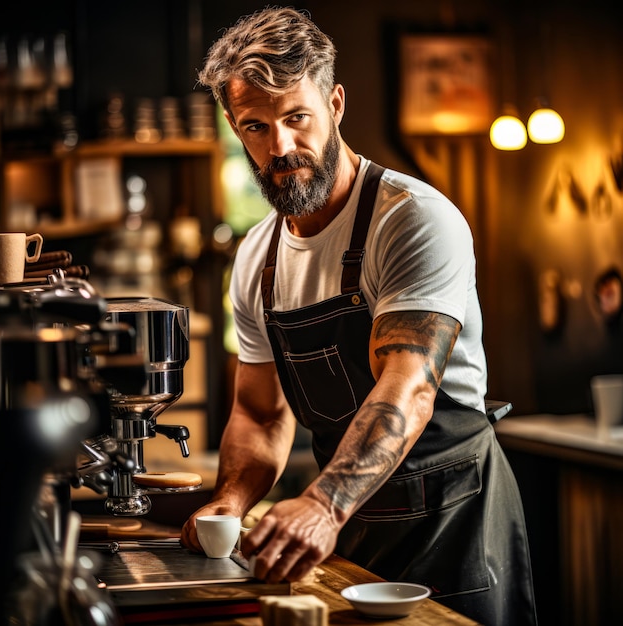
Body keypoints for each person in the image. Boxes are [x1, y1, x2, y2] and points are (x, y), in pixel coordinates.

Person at [181, 7, 537, 625]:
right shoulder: (255, 259)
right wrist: (230, 503)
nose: (282, 147)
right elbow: (261, 413)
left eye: (297, 118)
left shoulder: (412, 220)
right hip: (356, 524)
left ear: (336, 104)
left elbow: (409, 387)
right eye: (256, 127)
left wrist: (322, 504)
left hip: (455, 519)